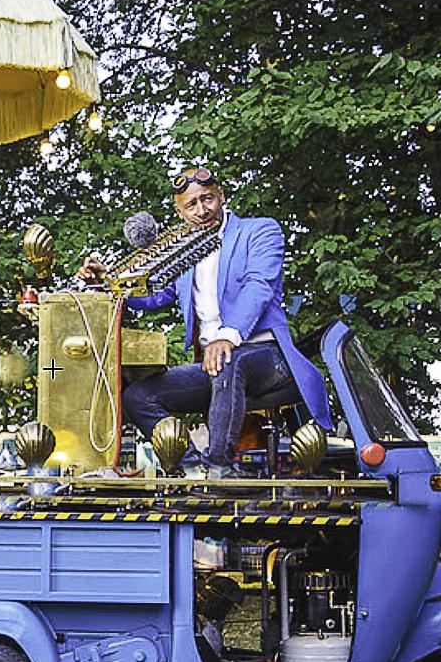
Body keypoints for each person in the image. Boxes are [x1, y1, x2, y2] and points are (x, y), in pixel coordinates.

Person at [79, 166, 333, 474]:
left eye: (208, 199)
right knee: (139, 396)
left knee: (228, 359)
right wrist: (105, 283)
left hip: (267, 356)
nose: (202, 210)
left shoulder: (259, 230)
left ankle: (218, 467)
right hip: (215, 365)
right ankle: (190, 468)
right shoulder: (185, 251)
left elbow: (259, 285)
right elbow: (154, 296)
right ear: (180, 211)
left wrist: (227, 335)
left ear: (222, 196)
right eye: (192, 205)